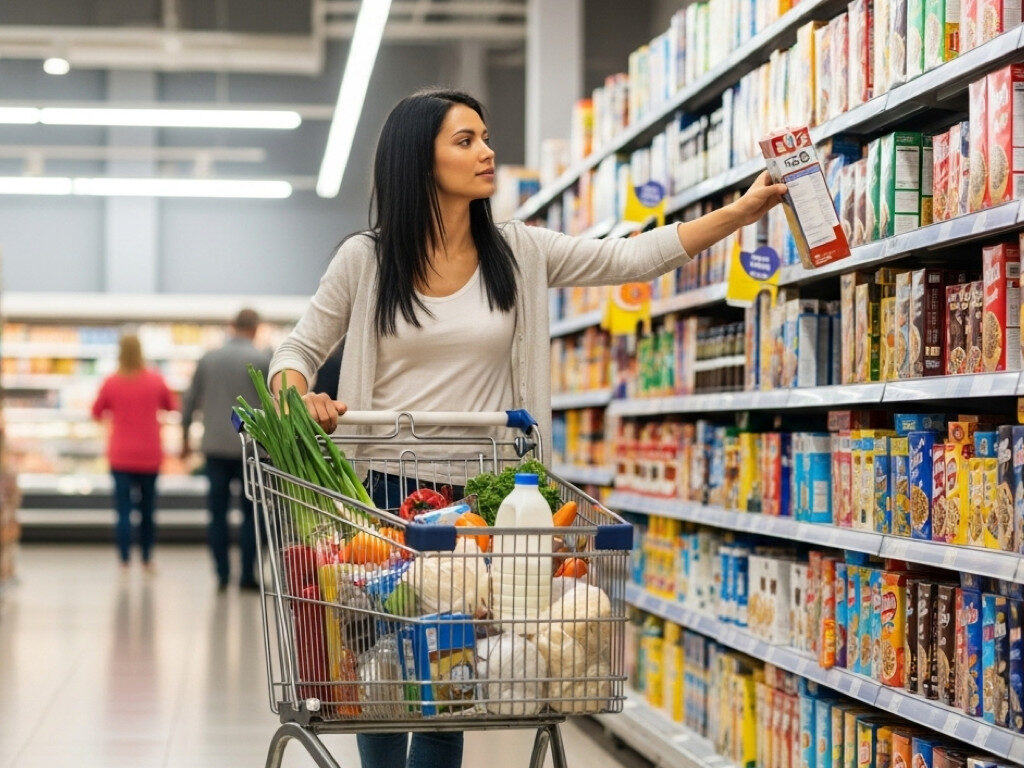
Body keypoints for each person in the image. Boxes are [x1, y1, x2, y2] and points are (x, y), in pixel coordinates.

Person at [268, 89, 786, 768]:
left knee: (450, 676)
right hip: (381, 498)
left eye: (484, 136)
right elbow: (295, 353)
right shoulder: (364, 262)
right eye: (465, 141)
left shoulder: (520, 252)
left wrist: (739, 213)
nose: (486, 152)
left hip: (481, 505)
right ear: (417, 162)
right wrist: (298, 396)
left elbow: (631, 259)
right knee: (382, 675)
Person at [181, 308, 273, 591]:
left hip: (215, 447)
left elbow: (190, 402)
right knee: (251, 512)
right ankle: (247, 574)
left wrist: (184, 439)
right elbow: (274, 404)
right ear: (256, 329)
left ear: (232, 327)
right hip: (250, 448)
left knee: (217, 513)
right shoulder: (262, 359)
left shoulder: (208, 359)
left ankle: (221, 574)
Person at [92, 333, 178, 572]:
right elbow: (172, 406)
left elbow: (96, 412)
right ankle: (148, 558)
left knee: (123, 510)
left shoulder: (111, 381)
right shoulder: (155, 380)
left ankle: (124, 560)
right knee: (148, 511)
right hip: (150, 454)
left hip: (120, 454)